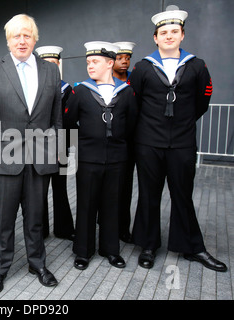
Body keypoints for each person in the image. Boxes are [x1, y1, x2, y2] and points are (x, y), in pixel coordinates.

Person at [0, 13, 62, 294]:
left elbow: (56, 117)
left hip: (39, 158)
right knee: (3, 220)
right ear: (7, 40)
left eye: (27, 35)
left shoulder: (50, 71)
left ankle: (37, 264)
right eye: (16, 35)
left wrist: (55, 147)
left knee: (36, 218)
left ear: (34, 39)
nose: (22, 40)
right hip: (4, 157)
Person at [129, 7, 227, 272]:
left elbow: (202, 101)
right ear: (155, 38)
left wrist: (181, 123)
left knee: (182, 195)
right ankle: (148, 245)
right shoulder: (142, 68)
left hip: (182, 142)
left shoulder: (197, 65)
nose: (169, 36)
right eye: (163, 32)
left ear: (183, 35)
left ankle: (192, 247)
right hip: (148, 144)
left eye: (174, 31)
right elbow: (134, 104)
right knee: (149, 195)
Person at [64, 41, 138, 270]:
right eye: (88, 62)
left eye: (95, 62)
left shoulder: (126, 92)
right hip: (88, 159)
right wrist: (84, 141)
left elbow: (133, 123)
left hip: (117, 159)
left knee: (112, 205)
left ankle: (110, 250)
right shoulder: (81, 91)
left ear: (110, 63)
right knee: (86, 205)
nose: (90, 66)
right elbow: (67, 122)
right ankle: (83, 251)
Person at [34, 45, 75, 241]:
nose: (51, 67)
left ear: (59, 65)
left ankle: (64, 229)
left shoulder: (68, 89)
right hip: (39, 147)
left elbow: (70, 120)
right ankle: (40, 230)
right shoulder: (33, 88)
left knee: (60, 188)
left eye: (54, 64)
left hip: (61, 145)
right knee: (39, 190)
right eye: (47, 64)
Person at [112, 41, 136, 243]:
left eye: (127, 58)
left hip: (131, 142)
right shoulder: (105, 83)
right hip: (110, 143)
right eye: (120, 58)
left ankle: (123, 227)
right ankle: (105, 224)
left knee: (126, 186)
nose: (125, 62)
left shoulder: (135, 82)